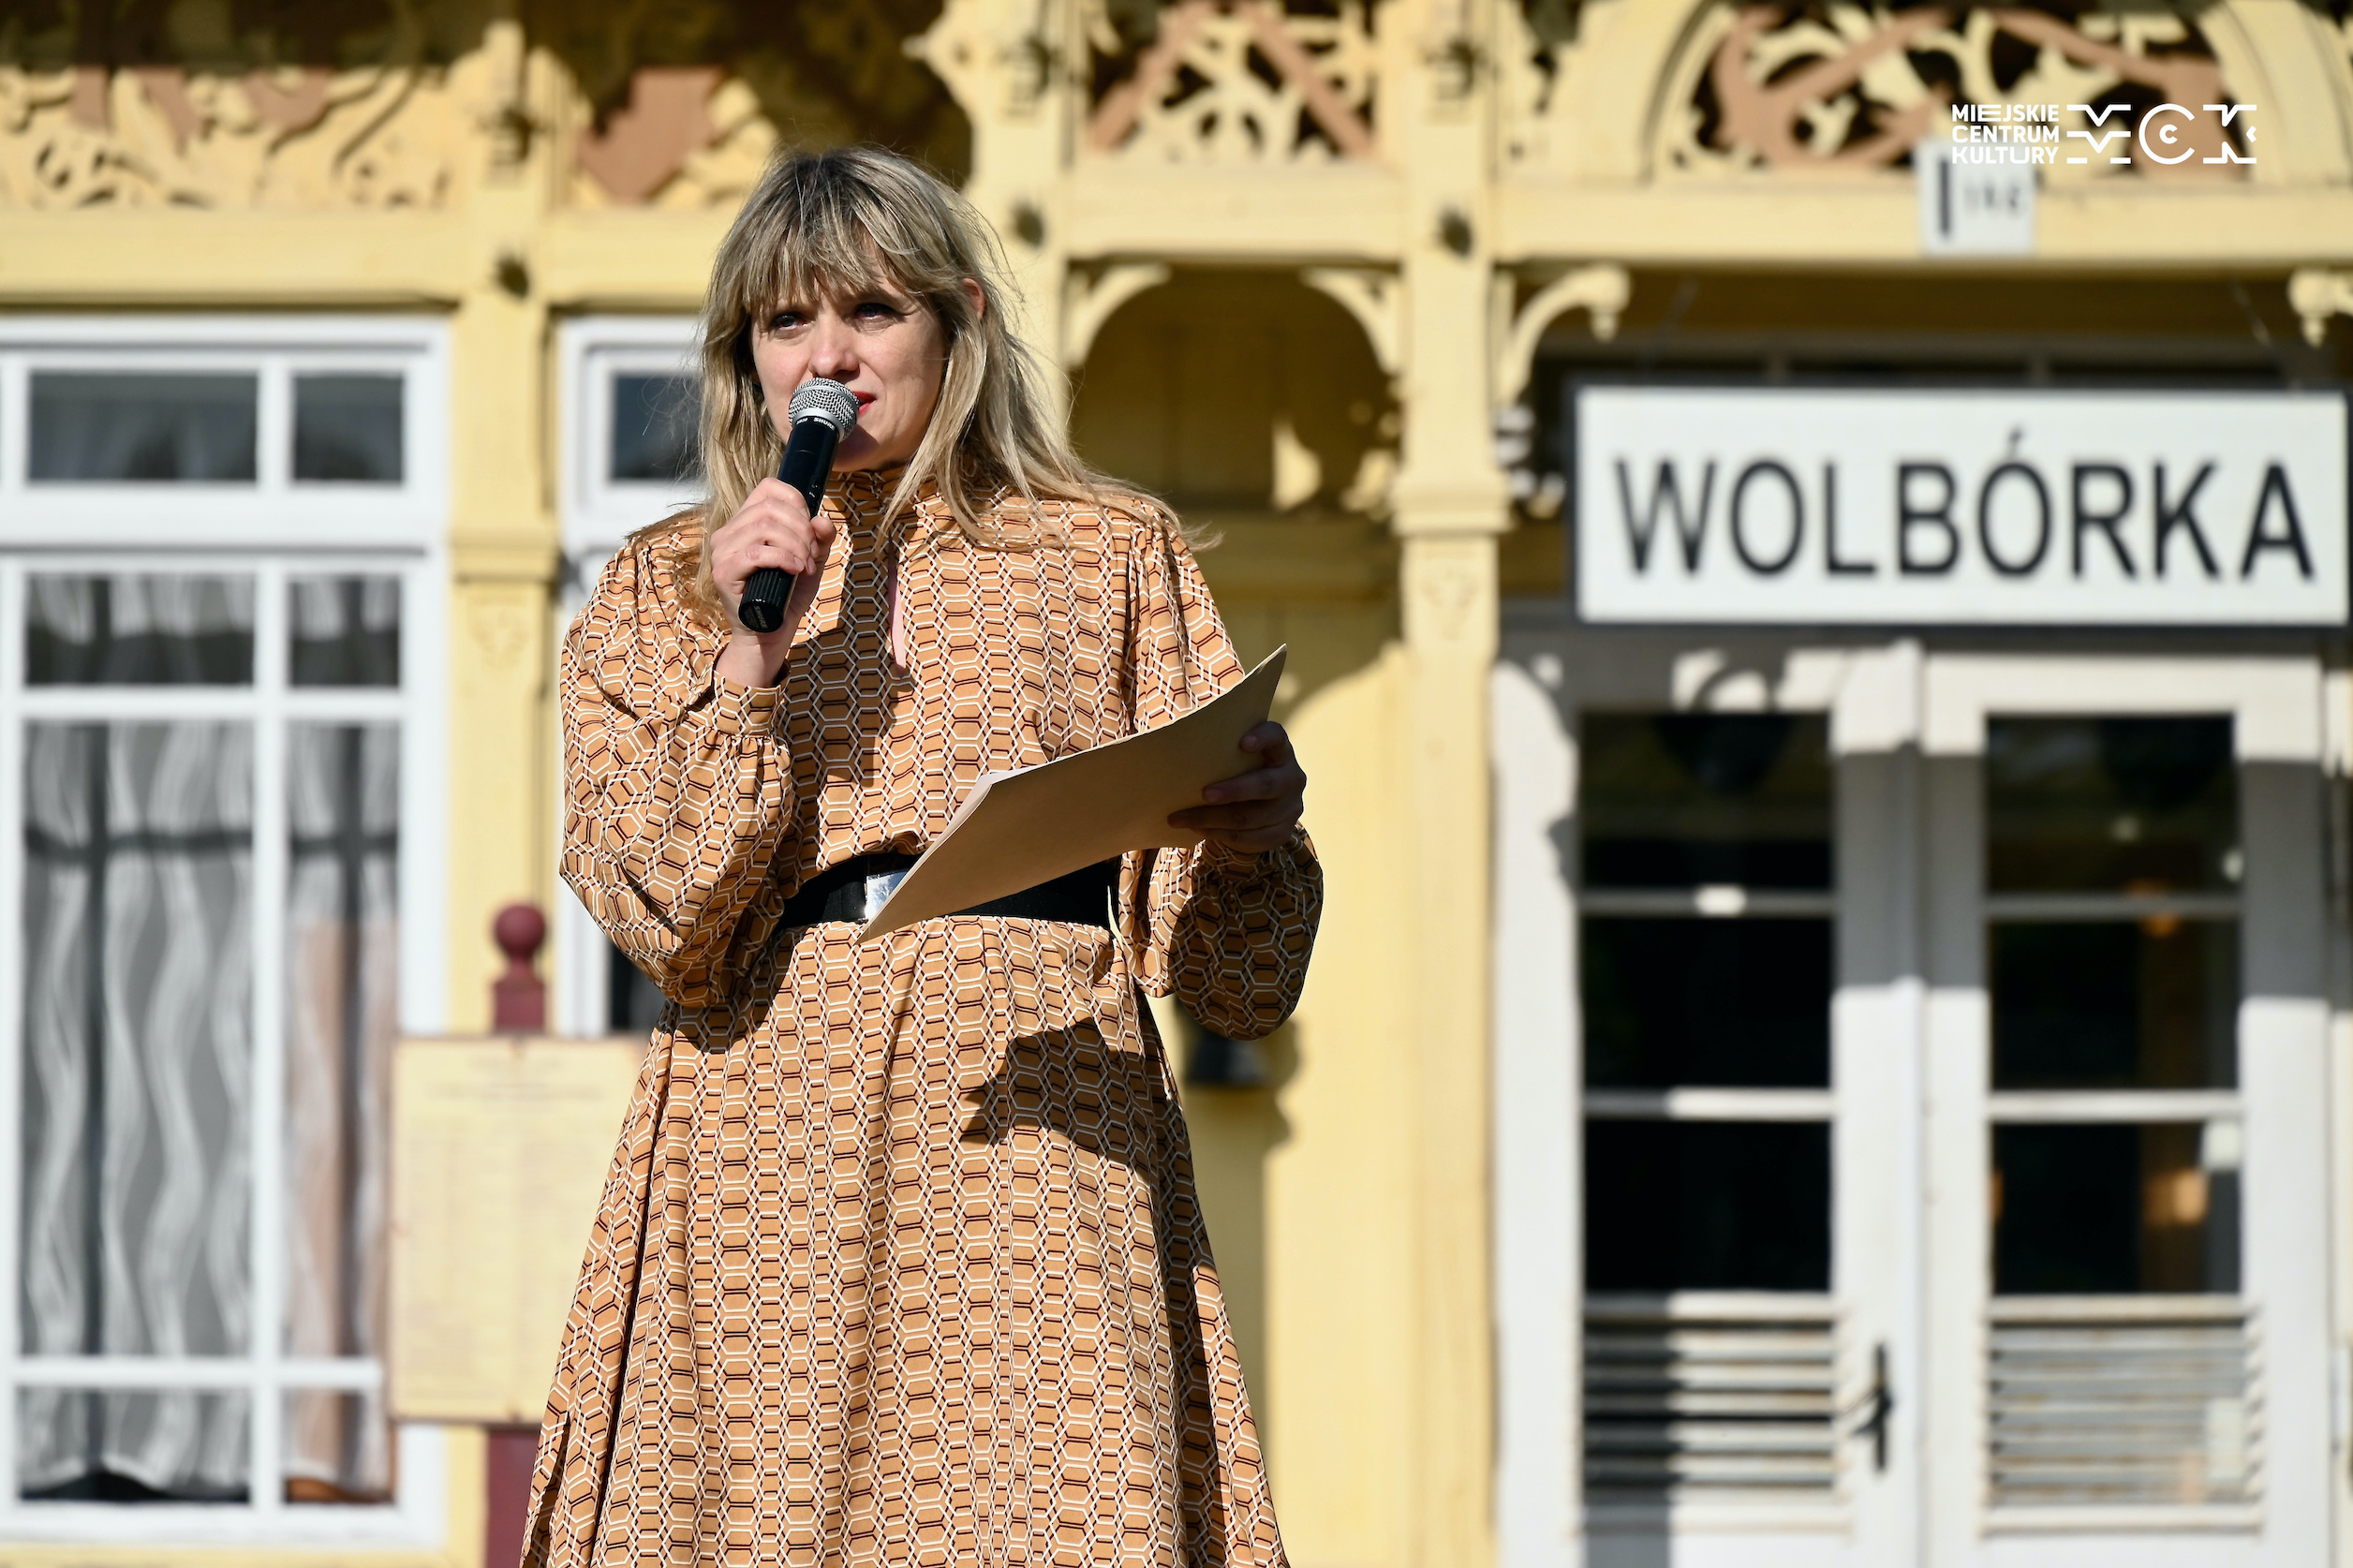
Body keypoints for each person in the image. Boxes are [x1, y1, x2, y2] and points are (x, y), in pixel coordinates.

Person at [522, 145, 1321, 1567]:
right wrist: (750, 657)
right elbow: (667, 922)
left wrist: (1255, 842)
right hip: (770, 1131)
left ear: (959, 322)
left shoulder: (1108, 551)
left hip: (1043, 1114)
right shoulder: (661, 586)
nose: (828, 357)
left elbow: (1237, 986)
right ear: (747, 355)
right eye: (787, 322)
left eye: (873, 312)